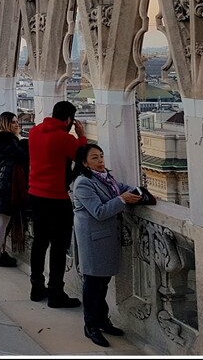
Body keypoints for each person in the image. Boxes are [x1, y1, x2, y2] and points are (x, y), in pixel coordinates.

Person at [71, 144, 141, 347]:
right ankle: (90, 325)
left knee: (102, 284)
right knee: (92, 284)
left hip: (107, 239)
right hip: (93, 241)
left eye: (101, 156)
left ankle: (102, 320)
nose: (100, 161)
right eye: (94, 158)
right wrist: (122, 199)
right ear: (84, 163)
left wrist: (134, 192)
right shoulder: (83, 183)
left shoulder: (105, 179)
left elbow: (121, 187)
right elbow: (99, 211)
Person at [27, 100, 87, 308]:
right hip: (56, 198)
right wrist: (82, 136)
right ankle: (55, 293)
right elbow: (82, 157)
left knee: (39, 242)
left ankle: (36, 287)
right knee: (59, 247)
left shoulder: (34, 132)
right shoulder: (63, 137)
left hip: (34, 194)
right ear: (69, 119)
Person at [0, 112, 29, 267]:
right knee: (2, 221)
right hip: (6, 185)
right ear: (5, 124)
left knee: (1, 221)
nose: (17, 125)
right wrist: (21, 141)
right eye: (13, 122)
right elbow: (23, 157)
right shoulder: (9, 141)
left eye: (17, 122)